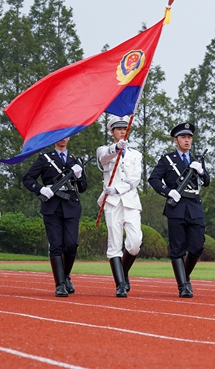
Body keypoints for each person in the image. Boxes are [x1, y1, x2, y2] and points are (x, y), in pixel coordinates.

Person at [148, 122, 210, 298]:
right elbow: (153, 179)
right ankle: (183, 285)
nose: (187, 140)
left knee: (197, 246)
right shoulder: (167, 160)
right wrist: (168, 192)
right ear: (176, 140)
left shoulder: (197, 160)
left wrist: (202, 172)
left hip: (195, 206)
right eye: (183, 137)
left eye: (189, 137)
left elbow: (206, 182)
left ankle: (184, 275)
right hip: (176, 207)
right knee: (177, 248)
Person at [23, 137, 87, 297]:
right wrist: (40, 189)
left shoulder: (75, 160)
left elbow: (83, 187)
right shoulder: (45, 159)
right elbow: (27, 179)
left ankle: (66, 276)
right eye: (60, 135)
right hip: (52, 207)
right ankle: (60, 285)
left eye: (66, 135)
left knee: (71, 244)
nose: (63, 138)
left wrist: (79, 176)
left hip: (71, 206)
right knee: (56, 245)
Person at [96, 115, 143, 298]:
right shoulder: (104, 150)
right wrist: (115, 148)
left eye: (125, 128)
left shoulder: (136, 155)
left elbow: (135, 179)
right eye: (118, 129)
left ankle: (123, 273)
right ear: (112, 131)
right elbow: (103, 157)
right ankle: (120, 284)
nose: (123, 131)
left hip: (129, 201)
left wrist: (117, 188)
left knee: (134, 244)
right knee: (114, 243)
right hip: (112, 203)